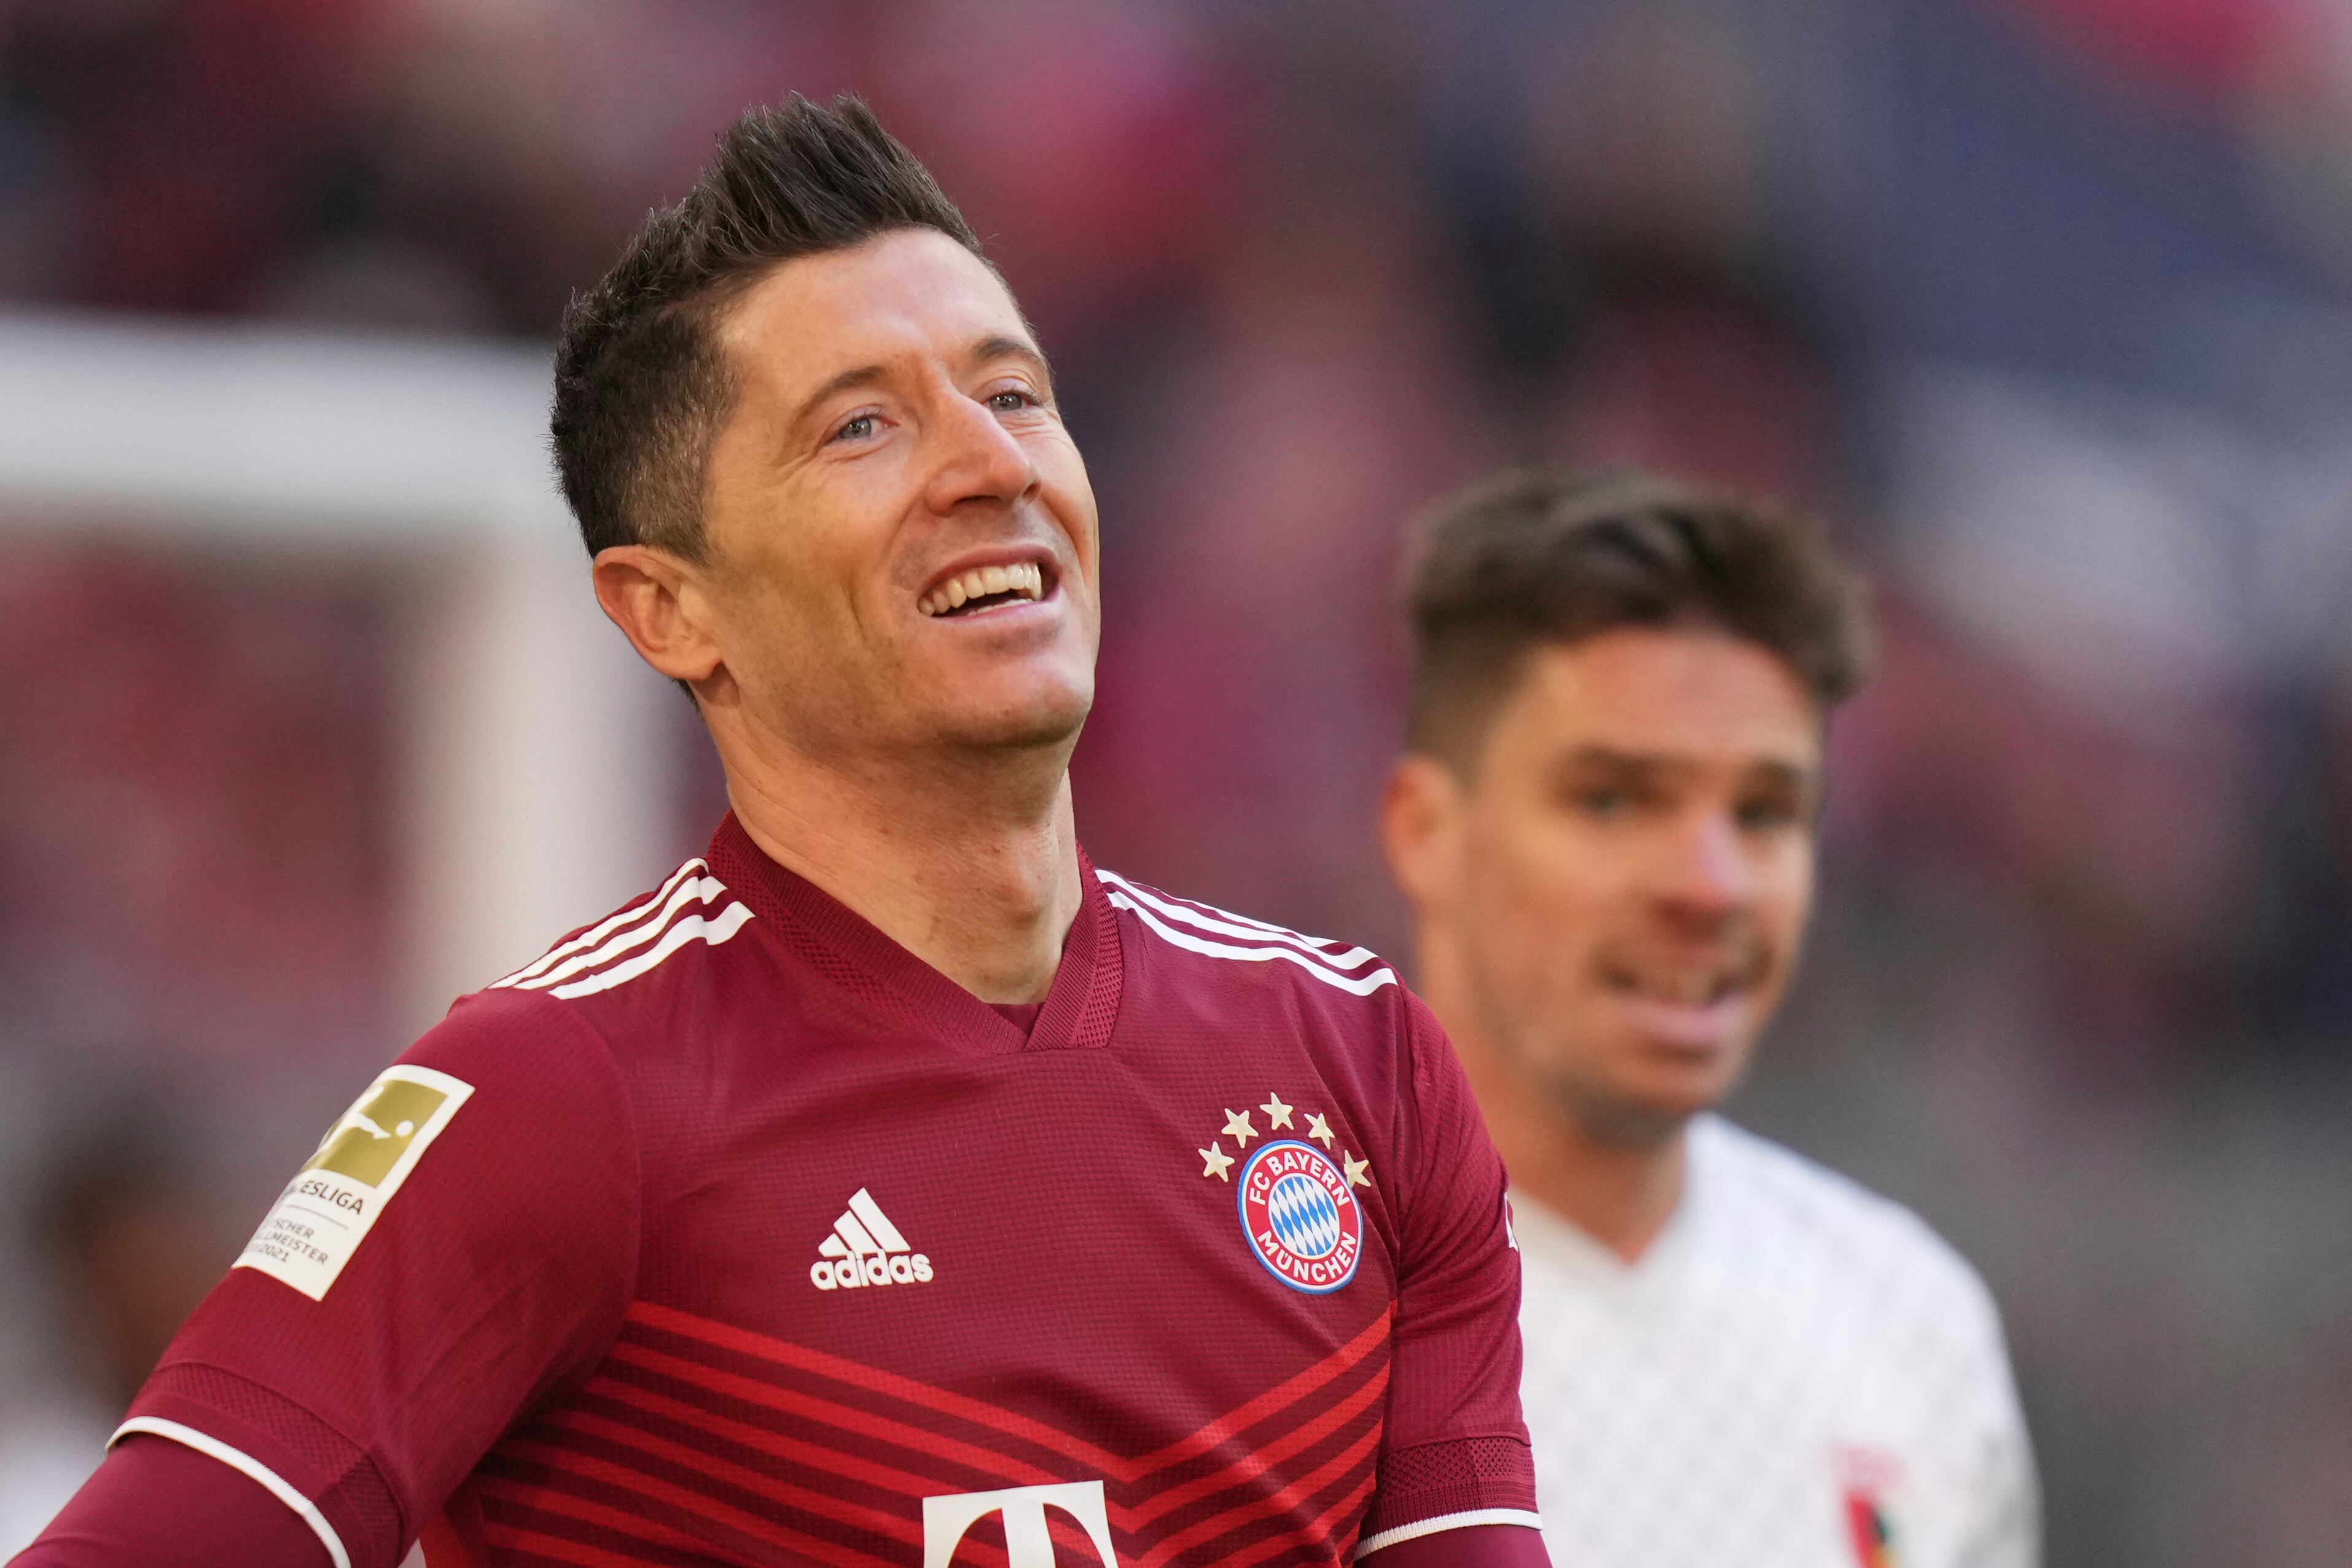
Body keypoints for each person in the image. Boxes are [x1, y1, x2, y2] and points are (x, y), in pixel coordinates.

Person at [14, 96, 1545, 1568]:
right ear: (667, 607)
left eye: (1013, 393)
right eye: (864, 425)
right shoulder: (553, 1095)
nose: (991, 461)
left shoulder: (1359, 1067)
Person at [1380, 469, 2039, 1568]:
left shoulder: (1909, 1323)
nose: (1710, 884)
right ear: (1426, 832)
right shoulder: (1250, 1307)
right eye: (1613, 798)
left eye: (1764, 812)